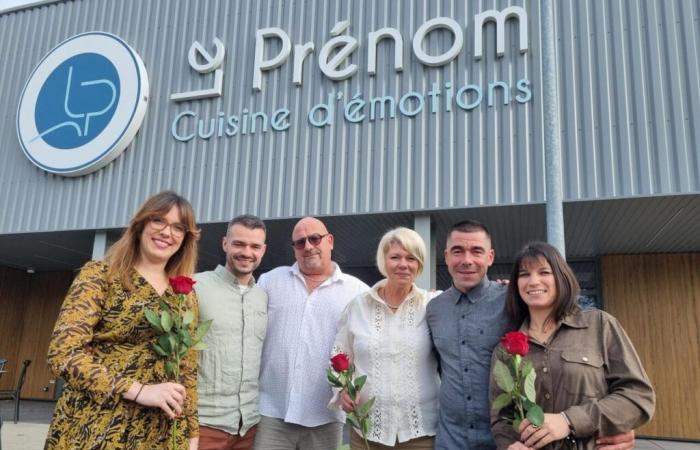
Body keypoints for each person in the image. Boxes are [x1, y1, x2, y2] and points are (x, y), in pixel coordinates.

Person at [426, 220, 636, 450]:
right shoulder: (433, 309)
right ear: (446, 256)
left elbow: (621, 386)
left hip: (512, 441)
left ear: (490, 257)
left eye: (477, 251)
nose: (467, 260)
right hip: (451, 440)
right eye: (457, 251)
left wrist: (614, 422)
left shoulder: (514, 300)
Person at [45, 191, 201, 449]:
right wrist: (139, 390)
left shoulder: (184, 295)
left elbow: (187, 371)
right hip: (97, 423)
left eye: (178, 227)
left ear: (185, 238)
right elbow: (63, 354)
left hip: (158, 433)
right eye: (159, 221)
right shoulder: (100, 275)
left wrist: (191, 437)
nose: (167, 232)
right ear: (141, 224)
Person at [490, 241, 655, 450]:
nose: (533, 281)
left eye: (544, 272)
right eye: (524, 274)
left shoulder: (599, 325)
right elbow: (501, 417)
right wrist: (509, 445)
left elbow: (638, 397)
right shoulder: (505, 350)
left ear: (561, 277)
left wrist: (568, 420)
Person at [252, 217, 369, 450]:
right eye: (300, 242)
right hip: (272, 413)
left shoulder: (358, 292)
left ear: (330, 241)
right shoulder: (269, 282)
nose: (308, 246)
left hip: (325, 418)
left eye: (315, 239)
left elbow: (370, 347)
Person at [331, 227, 439, 449]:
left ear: (419, 263)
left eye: (411, 258)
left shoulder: (432, 305)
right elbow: (339, 355)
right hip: (367, 431)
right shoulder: (358, 306)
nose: (403, 264)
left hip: (420, 433)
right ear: (383, 260)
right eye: (395, 257)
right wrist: (342, 390)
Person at [194, 215, 268, 450]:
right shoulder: (195, 287)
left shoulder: (263, 297)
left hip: (249, 426)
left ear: (263, 250)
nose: (247, 252)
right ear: (225, 243)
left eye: (255, 246)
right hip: (204, 424)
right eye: (239, 244)